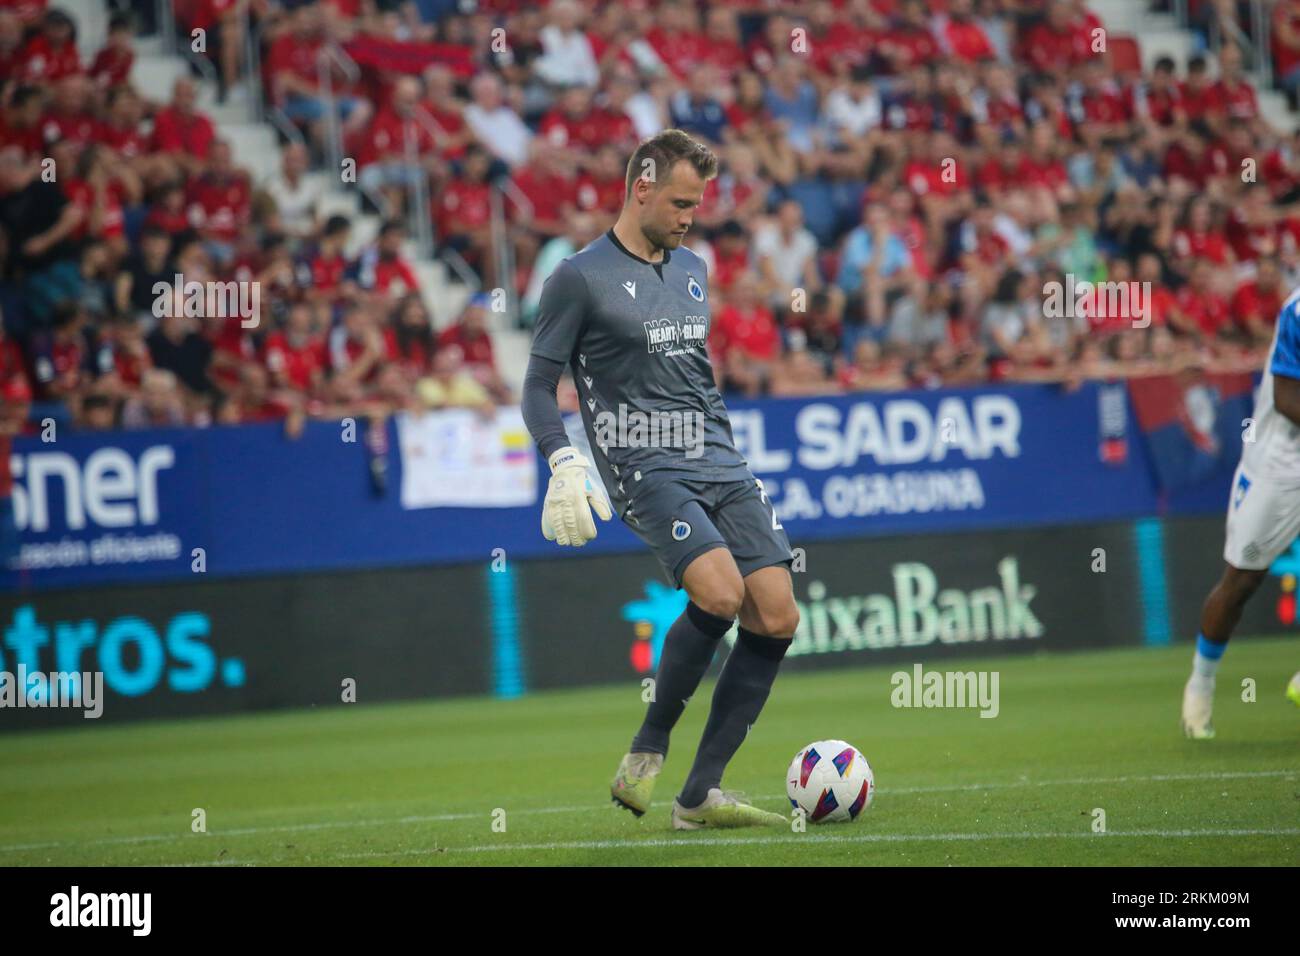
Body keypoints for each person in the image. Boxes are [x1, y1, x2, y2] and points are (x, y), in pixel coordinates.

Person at [522, 129, 797, 829]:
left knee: (777, 612)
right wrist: (562, 457)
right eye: (678, 201)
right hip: (642, 461)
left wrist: (726, 458)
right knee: (719, 590)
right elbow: (536, 385)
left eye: (695, 204)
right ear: (640, 187)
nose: (687, 217)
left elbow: (697, 378)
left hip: (717, 458)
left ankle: (699, 795)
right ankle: (648, 748)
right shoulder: (578, 277)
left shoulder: (693, 265)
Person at [1181, 287, 1300, 737]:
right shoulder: (1298, 311)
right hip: (1280, 463)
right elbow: (1288, 399)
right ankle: (1201, 682)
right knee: (1242, 581)